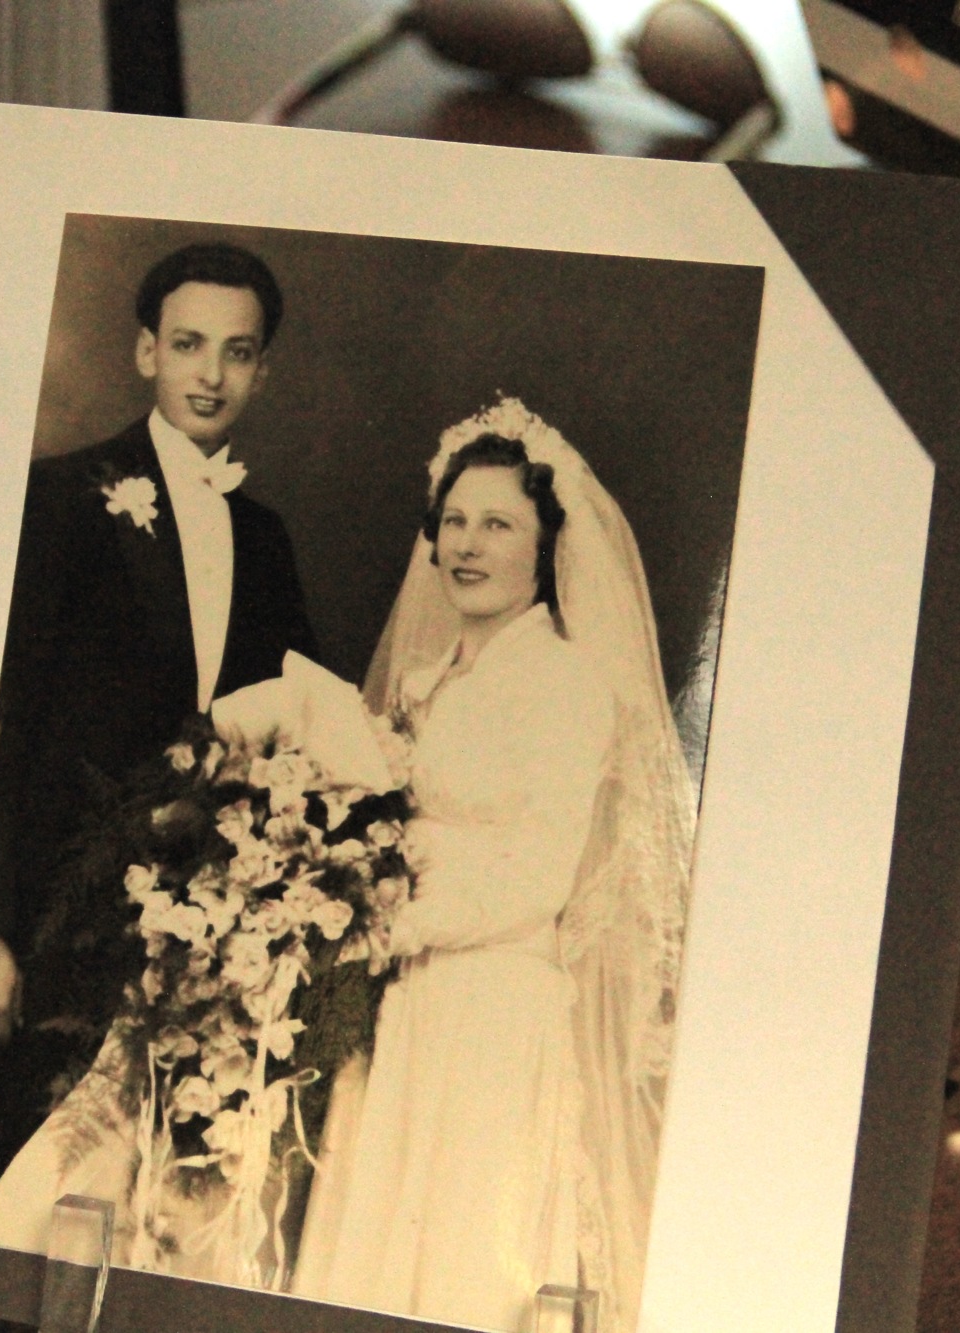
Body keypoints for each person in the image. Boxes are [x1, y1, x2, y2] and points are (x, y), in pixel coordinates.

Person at [0, 241, 319, 1235]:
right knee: (1, 1156)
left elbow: (300, 722)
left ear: (261, 369)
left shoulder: (262, 537)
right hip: (52, 909)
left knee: (134, 1181)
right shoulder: (63, 495)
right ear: (145, 352)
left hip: (195, 924)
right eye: (187, 344)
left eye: (236, 351)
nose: (210, 374)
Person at [292, 398, 697, 1333]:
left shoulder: (565, 683)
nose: (468, 545)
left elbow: (537, 876)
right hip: (405, 1008)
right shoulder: (428, 682)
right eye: (456, 521)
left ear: (545, 546)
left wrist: (389, 923)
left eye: (500, 524)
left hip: (492, 1013)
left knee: (464, 1266)